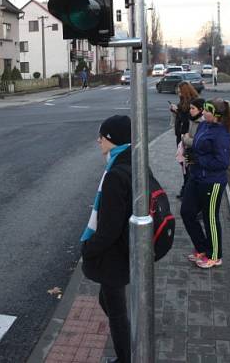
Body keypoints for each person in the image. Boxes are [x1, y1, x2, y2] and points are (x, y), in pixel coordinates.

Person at [81, 115, 132, 363]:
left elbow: (109, 228)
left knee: (117, 312)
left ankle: (126, 357)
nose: (98, 140)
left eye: (102, 136)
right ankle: (130, 348)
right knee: (109, 301)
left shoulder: (115, 174)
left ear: (112, 139)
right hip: (124, 246)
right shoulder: (131, 160)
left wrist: (89, 249)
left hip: (115, 252)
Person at [180, 98, 230, 269]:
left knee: (209, 217)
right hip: (196, 177)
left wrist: (199, 160)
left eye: (207, 111)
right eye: (203, 109)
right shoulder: (204, 126)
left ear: (217, 115)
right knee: (187, 212)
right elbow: (198, 147)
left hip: (212, 182)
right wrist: (191, 155)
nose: (202, 113)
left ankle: (214, 255)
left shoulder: (222, 134)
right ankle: (202, 248)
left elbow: (222, 163)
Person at [176, 97, 204, 199]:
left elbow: (197, 142)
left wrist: (185, 138)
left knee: (193, 175)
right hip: (189, 153)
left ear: (200, 109)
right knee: (188, 173)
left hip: (196, 155)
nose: (190, 110)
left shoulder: (201, 123)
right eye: (190, 108)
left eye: (193, 108)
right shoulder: (192, 119)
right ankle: (188, 195)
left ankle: (192, 197)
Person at [169, 81, 199, 147]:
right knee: (180, 155)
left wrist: (177, 110)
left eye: (180, 92)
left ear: (185, 92)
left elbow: (187, 118)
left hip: (187, 134)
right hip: (181, 133)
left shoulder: (193, 102)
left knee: (185, 155)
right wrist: (174, 110)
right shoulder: (183, 100)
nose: (178, 94)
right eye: (178, 92)